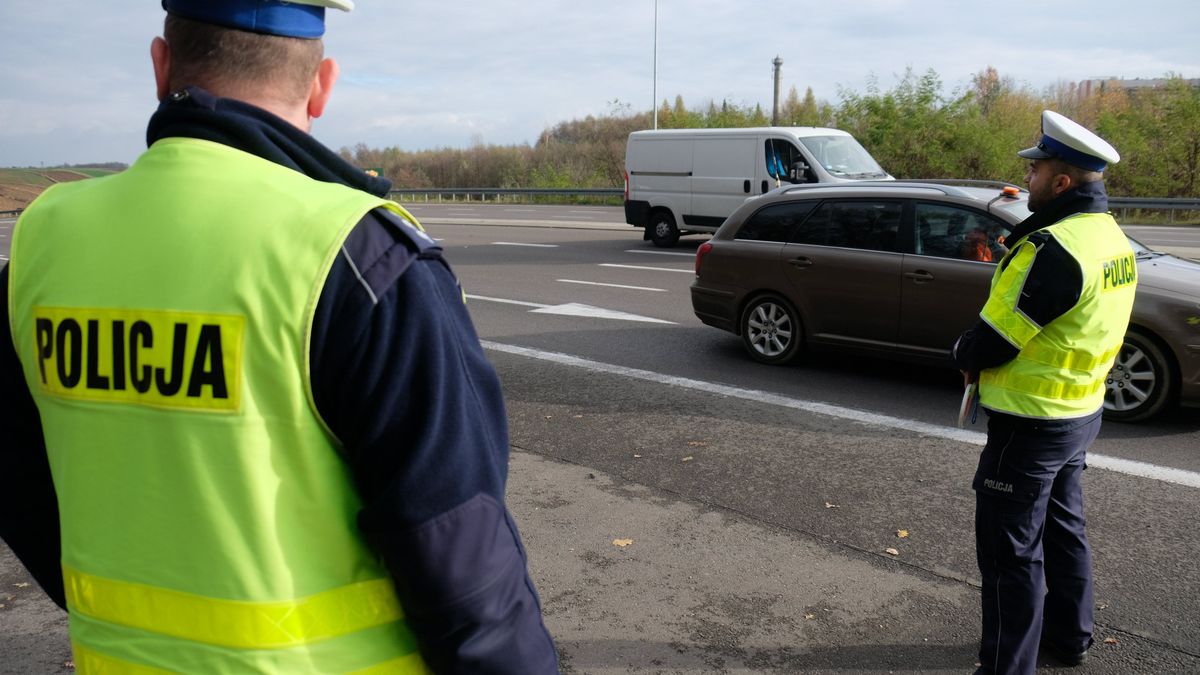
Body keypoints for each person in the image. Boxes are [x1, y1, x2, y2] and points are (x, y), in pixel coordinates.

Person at [0, 1, 558, 672]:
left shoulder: (43, 240)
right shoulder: (358, 257)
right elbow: (469, 581)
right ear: (321, 86)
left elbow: (21, 484)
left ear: (160, 64)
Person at [953, 110, 1136, 674]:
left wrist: (962, 353)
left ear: (1061, 182)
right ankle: (1069, 637)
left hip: (1029, 424)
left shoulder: (1053, 249)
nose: (1026, 178)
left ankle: (1007, 668)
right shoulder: (1112, 239)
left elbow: (995, 340)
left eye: (1035, 170)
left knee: (1011, 557)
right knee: (1063, 529)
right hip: (1081, 409)